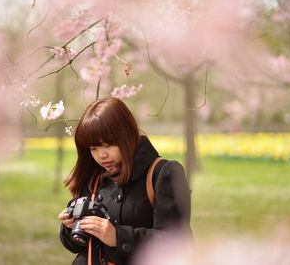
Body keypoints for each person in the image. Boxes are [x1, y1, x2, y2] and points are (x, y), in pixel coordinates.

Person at [57, 97, 192, 265]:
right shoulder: (94, 176)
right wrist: (70, 228)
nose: (101, 155)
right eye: (93, 148)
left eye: (108, 145)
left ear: (127, 136)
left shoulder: (162, 173)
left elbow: (175, 241)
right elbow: (80, 247)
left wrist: (119, 237)